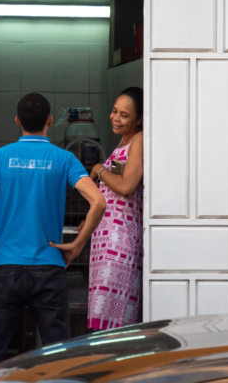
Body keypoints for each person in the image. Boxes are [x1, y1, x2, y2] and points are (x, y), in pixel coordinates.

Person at [0, 92, 106, 378]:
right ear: (50, 121)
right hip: (48, 268)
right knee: (58, 356)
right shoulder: (64, 159)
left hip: (5, 268)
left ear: (17, 121)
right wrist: (77, 244)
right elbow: (98, 202)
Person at [86, 87, 144, 331]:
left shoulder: (140, 140)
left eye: (124, 115)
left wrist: (99, 169)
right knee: (103, 319)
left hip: (119, 243)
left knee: (115, 324)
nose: (116, 118)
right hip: (107, 240)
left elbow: (127, 185)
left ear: (139, 119)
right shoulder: (125, 140)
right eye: (114, 111)